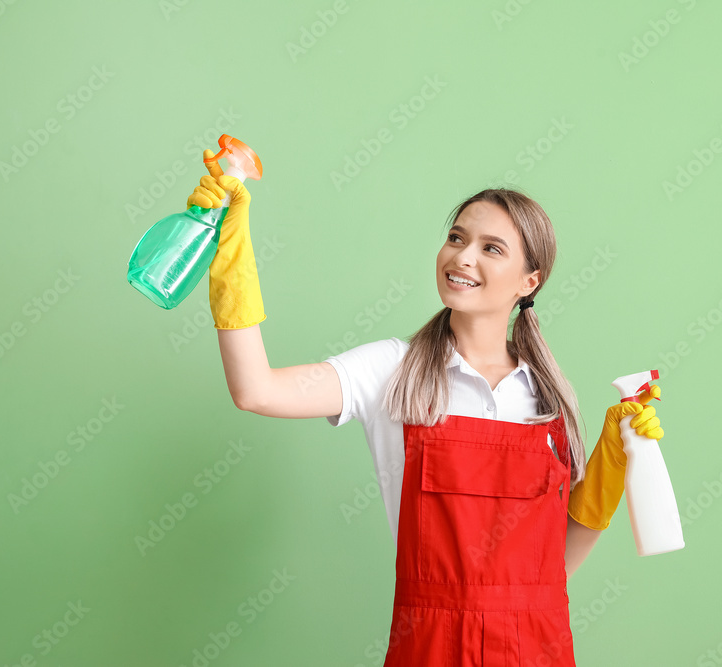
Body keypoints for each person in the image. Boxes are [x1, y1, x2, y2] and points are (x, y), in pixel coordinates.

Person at [187, 151, 665, 666]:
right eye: (457, 238)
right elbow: (256, 390)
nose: (462, 257)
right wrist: (230, 252)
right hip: (430, 648)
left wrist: (609, 474)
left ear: (530, 281)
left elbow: (554, 568)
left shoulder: (548, 397)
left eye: (491, 248)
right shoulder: (393, 370)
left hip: (539, 649)